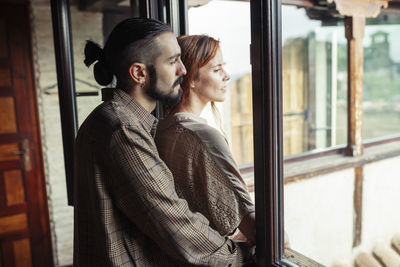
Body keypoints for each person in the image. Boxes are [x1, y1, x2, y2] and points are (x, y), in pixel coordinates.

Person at [73, 18, 254, 266]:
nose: (182, 70)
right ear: (139, 73)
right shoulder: (123, 128)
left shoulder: (114, 120)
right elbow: (173, 222)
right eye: (172, 61)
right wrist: (240, 255)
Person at [155, 35, 255, 244]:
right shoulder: (203, 137)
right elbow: (251, 223)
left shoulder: (161, 128)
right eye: (217, 69)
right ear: (190, 77)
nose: (227, 76)